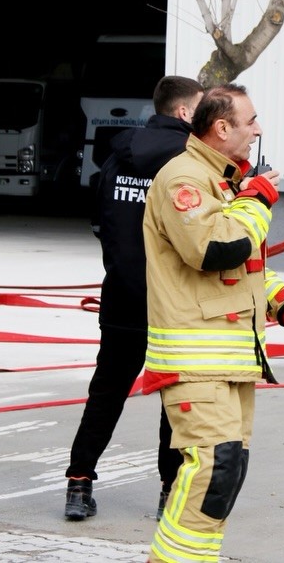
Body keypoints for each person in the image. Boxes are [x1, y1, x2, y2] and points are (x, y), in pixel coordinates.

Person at [140, 84, 284, 562]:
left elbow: (243, 266)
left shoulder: (225, 181)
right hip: (198, 361)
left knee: (226, 473)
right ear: (221, 128)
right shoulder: (184, 179)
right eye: (250, 121)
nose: (258, 130)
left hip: (231, 361)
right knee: (211, 472)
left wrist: (281, 302)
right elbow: (216, 249)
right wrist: (257, 201)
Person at [64, 75, 204, 522]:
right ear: (184, 112)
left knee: (106, 393)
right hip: (171, 302)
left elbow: (99, 222)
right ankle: (169, 491)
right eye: (200, 108)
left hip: (121, 295)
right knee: (173, 399)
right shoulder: (189, 162)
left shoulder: (116, 156)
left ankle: (78, 484)